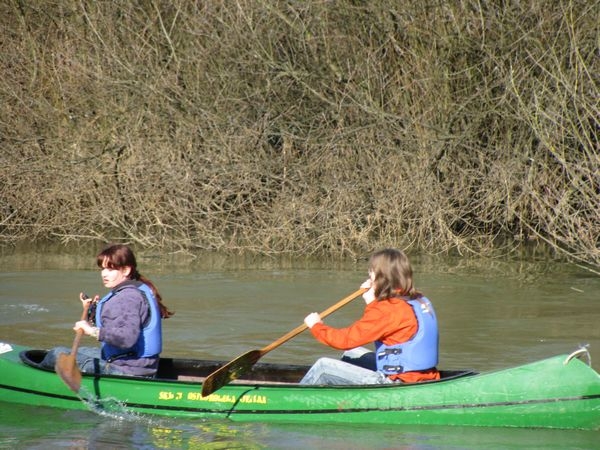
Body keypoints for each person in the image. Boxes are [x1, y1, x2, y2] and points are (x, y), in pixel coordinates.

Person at [299, 248, 440, 385]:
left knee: (323, 367)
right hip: (425, 375)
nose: (369, 277)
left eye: (371, 272)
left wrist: (316, 326)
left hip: (397, 382)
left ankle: (295, 398)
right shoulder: (418, 299)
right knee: (351, 353)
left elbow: (345, 340)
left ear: (381, 277)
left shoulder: (387, 309)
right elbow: (387, 324)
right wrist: (373, 300)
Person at [42, 244, 174, 377]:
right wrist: (92, 311)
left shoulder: (128, 297)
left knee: (56, 354)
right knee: (78, 351)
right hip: (137, 364)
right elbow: (117, 321)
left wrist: (91, 331)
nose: (104, 274)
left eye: (110, 269)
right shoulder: (137, 289)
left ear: (126, 270)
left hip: (128, 370)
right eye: (103, 269)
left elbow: (127, 338)